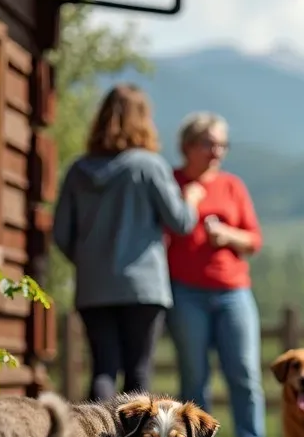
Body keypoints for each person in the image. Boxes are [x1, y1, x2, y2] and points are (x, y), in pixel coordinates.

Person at [52, 84, 205, 403]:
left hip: (94, 286)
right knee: (138, 372)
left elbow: (61, 234)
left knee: (102, 370)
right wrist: (190, 198)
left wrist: (89, 260)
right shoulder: (148, 166)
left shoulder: (79, 170)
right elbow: (180, 223)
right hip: (143, 287)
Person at [165, 111, 287, 437]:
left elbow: (253, 239)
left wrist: (228, 237)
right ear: (188, 146)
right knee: (194, 376)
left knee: (245, 374)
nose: (217, 151)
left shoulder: (232, 186)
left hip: (233, 290)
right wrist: (186, 203)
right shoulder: (172, 182)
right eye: (209, 143)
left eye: (221, 144)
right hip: (185, 291)